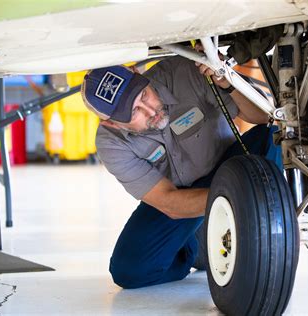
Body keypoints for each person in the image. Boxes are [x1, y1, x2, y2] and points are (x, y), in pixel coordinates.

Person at [81, 55, 281, 289]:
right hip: (183, 197)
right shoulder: (111, 143)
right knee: (129, 270)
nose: (151, 110)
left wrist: (226, 81)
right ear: (111, 123)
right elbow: (168, 201)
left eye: (144, 94)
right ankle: (194, 249)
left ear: (137, 73)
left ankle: (260, 225)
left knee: (273, 136)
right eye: (134, 112)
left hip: (230, 168)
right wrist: (240, 197)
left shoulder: (184, 71)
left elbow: (262, 116)